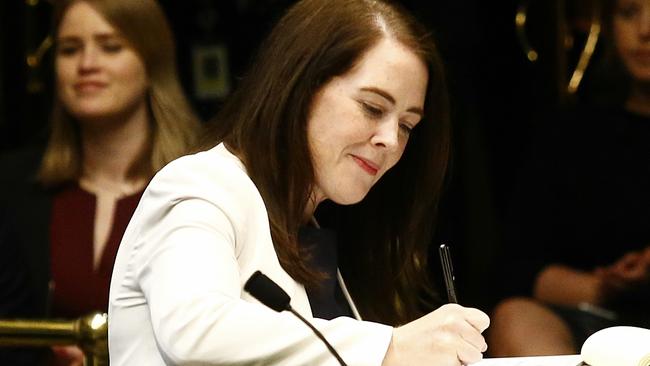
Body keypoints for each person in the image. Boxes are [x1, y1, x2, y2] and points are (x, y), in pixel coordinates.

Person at [108, 0, 490, 365]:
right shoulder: (202, 185)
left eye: (407, 125)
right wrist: (389, 347)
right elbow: (193, 331)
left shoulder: (312, 227)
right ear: (299, 87)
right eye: (372, 107)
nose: (390, 140)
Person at [0, 0, 200, 364]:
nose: (87, 64)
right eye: (70, 49)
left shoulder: (202, 186)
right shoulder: (13, 186)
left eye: (111, 47)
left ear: (151, 61)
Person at [488, 0, 650, 356]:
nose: (645, 30)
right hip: (596, 322)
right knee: (514, 318)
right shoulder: (573, 135)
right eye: (628, 13)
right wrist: (606, 287)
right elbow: (518, 267)